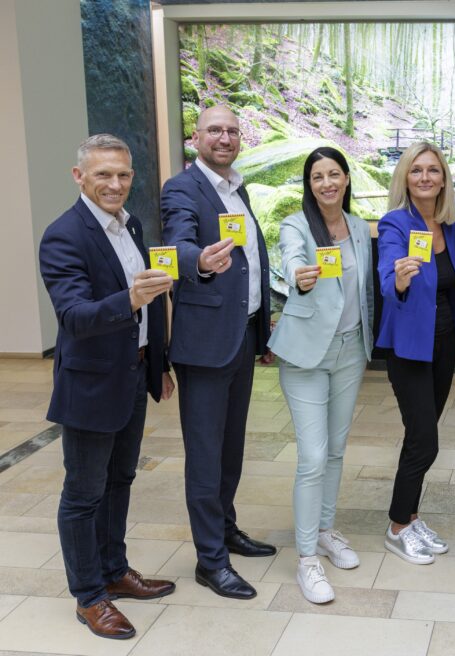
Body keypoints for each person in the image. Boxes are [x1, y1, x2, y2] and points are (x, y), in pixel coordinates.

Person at [38, 134, 177, 639]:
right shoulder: (64, 235)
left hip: (134, 373)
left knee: (121, 481)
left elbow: (150, 301)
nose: (115, 184)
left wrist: (157, 363)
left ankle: (114, 571)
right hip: (91, 386)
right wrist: (129, 299)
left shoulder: (132, 224)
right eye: (103, 175)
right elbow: (74, 317)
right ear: (80, 177)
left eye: (122, 174)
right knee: (83, 494)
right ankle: (89, 596)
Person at [161, 105, 275, 601]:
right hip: (205, 346)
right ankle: (211, 561)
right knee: (205, 457)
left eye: (231, 130)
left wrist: (263, 327)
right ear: (196, 138)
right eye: (214, 130)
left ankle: (226, 529)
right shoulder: (182, 189)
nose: (224, 138)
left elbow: (251, 263)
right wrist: (199, 262)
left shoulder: (236, 187)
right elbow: (179, 243)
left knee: (231, 449)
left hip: (242, 336)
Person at [268, 147, 373, 604]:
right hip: (306, 354)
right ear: (308, 185)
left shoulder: (359, 228)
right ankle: (307, 558)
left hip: (351, 350)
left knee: (334, 451)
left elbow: (366, 289)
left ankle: (326, 530)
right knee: (311, 456)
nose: (326, 183)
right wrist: (299, 275)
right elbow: (291, 257)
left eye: (334, 174)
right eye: (317, 177)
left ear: (346, 179)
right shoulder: (296, 224)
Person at [376, 141, 455, 564]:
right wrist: (399, 278)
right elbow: (387, 276)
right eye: (416, 170)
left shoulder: (447, 225)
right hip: (410, 347)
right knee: (425, 441)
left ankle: (412, 517)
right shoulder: (395, 223)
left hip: (444, 341)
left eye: (433, 170)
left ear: (443, 178)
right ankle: (397, 526)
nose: (425, 177)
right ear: (405, 177)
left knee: (421, 435)